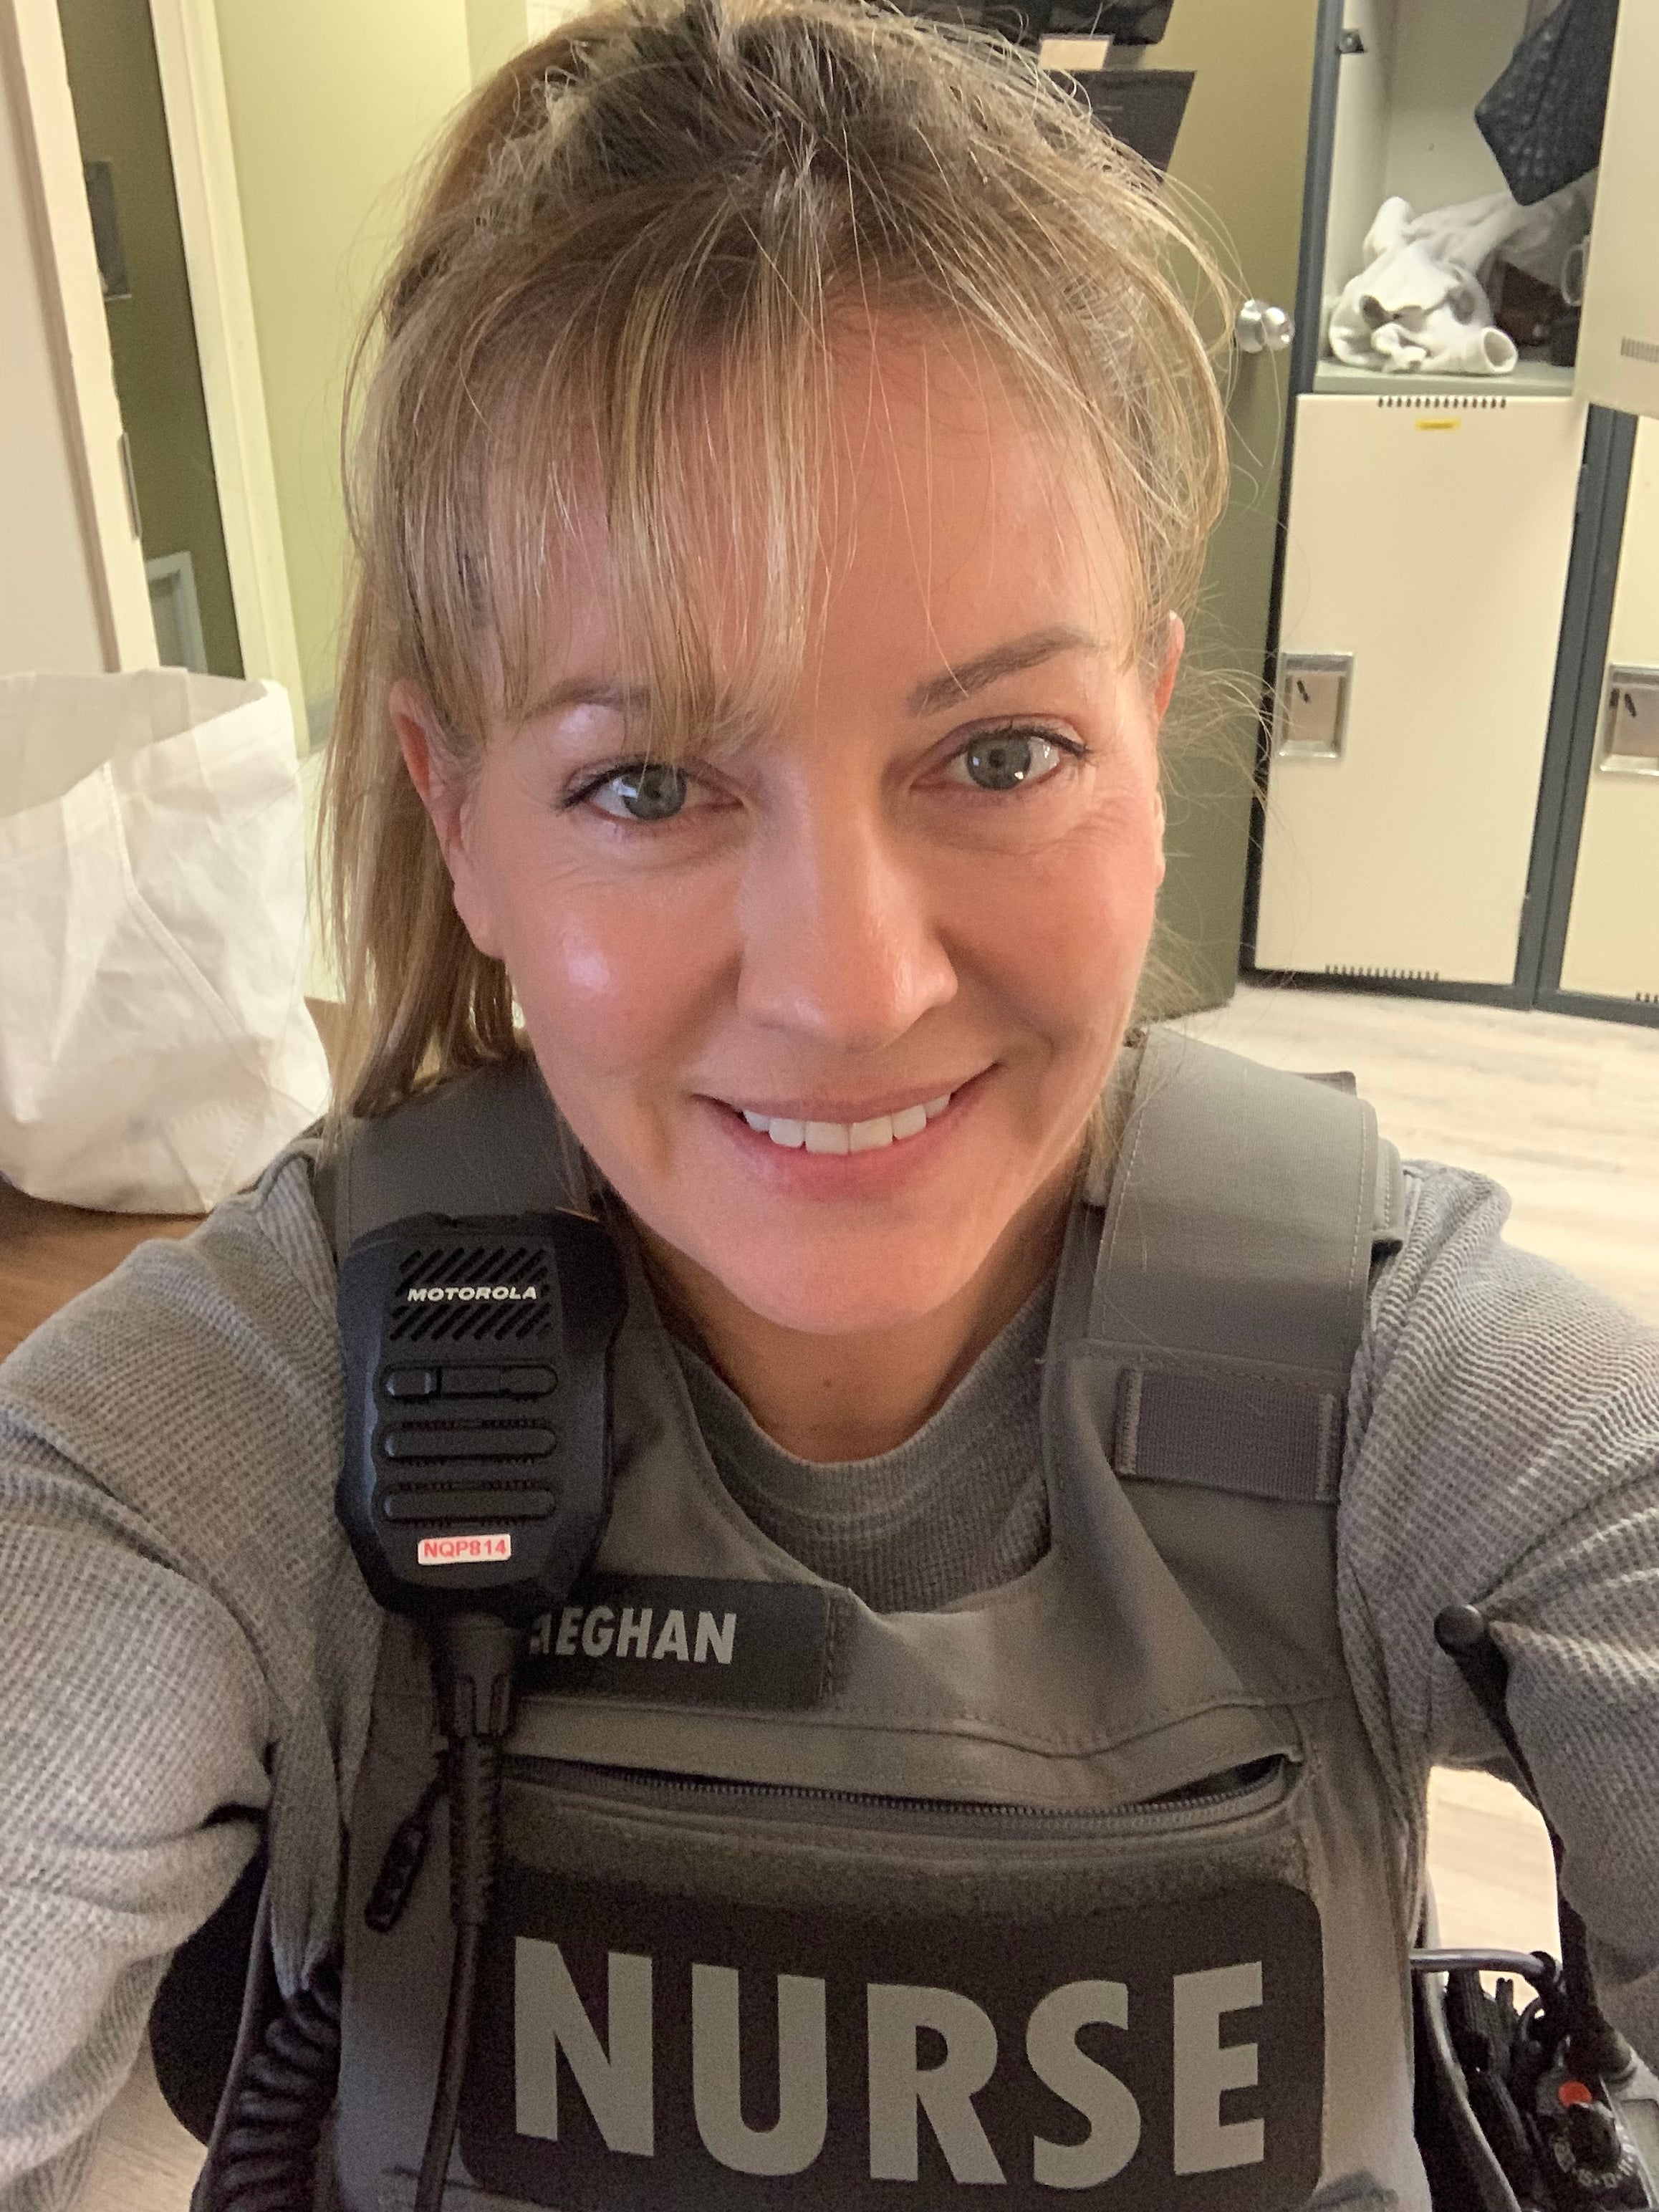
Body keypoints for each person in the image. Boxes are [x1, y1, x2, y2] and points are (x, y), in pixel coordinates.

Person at [1, 1, 1656, 2206]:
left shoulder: (1418, 1390)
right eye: (649, 784)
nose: (855, 984)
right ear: (454, 811)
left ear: (1146, 736)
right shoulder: (242, 1424)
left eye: (997, 754)